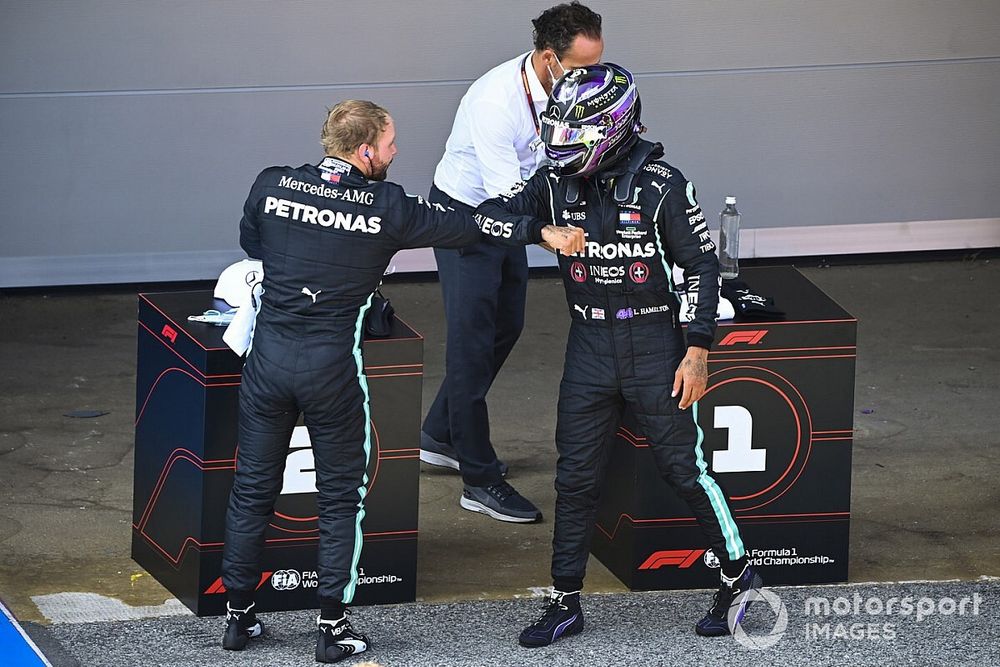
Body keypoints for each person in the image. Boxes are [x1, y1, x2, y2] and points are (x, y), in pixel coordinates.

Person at [220, 99, 584, 662]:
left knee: (251, 490)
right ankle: (331, 630)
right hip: (331, 374)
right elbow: (472, 226)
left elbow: (254, 245)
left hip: (267, 365)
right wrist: (539, 232)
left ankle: (238, 619)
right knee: (341, 500)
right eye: (390, 144)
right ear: (366, 150)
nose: (395, 152)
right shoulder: (388, 207)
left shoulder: (270, 184)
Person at [474, 64, 761, 647]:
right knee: (575, 479)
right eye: (555, 131)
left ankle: (737, 576)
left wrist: (698, 350)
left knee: (684, 470)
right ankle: (565, 601)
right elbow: (484, 218)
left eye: (571, 133)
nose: (560, 146)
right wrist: (539, 232)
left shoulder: (662, 184)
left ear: (613, 126)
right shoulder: (553, 183)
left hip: (656, 345)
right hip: (589, 345)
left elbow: (702, 267)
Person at [420, 1, 604, 524]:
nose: (593, 78)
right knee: (470, 345)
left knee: (507, 326)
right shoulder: (496, 101)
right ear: (549, 59)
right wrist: (562, 238)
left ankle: (440, 435)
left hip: (512, 213)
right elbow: (510, 203)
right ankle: (478, 481)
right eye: (584, 68)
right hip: (467, 217)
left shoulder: (574, 90)